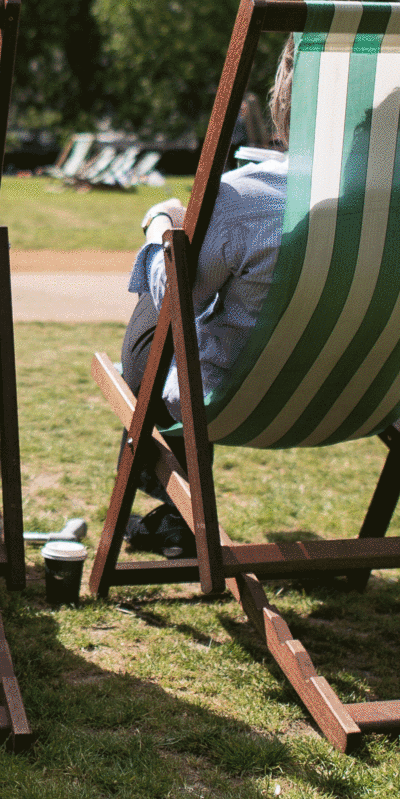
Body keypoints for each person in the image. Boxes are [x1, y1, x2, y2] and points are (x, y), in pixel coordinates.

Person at [114, 39, 295, 558]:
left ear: (284, 99)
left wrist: (162, 229)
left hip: (238, 402)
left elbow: (178, 302)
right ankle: (174, 511)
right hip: (366, 397)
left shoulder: (250, 198)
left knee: (168, 287)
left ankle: (175, 504)